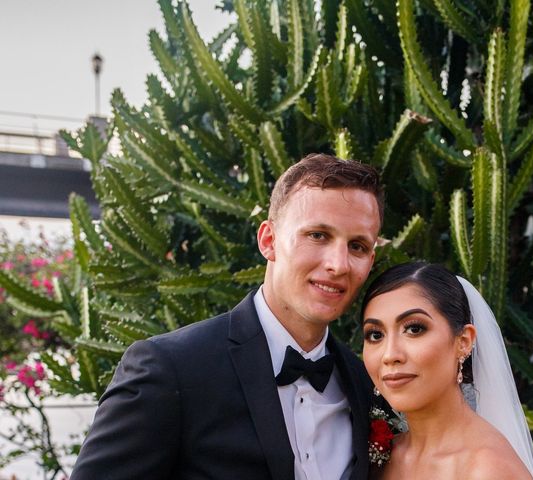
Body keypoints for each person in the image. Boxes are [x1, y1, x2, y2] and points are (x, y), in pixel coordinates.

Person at [71, 153, 384, 480]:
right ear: (269, 240)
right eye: (318, 235)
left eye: (357, 246)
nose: (338, 264)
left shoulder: (366, 386)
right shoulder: (170, 369)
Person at [361, 262, 533, 479]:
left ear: (463, 341)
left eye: (414, 329)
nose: (390, 355)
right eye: (375, 335)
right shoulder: (380, 456)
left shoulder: (489, 469)